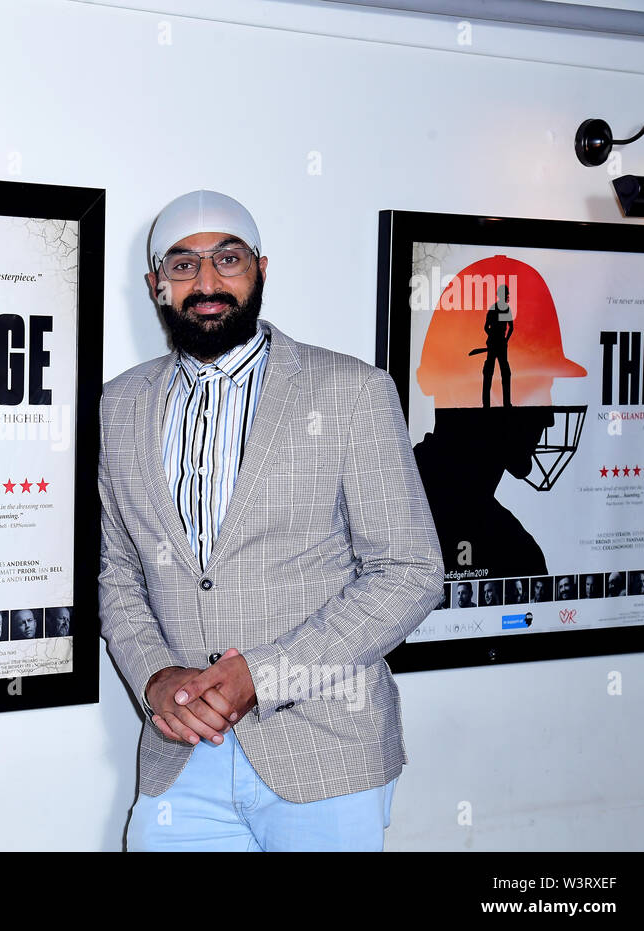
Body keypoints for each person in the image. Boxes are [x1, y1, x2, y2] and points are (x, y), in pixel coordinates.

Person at [98, 190, 443, 852]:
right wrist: (153, 677)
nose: (206, 283)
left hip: (326, 758)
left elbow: (410, 571)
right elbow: (119, 570)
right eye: (182, 264)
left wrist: (263, 674)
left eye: (227, 259)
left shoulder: (351, 391)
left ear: (260, 268)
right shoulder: (121, 405)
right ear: (155, 284)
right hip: (179, 761)